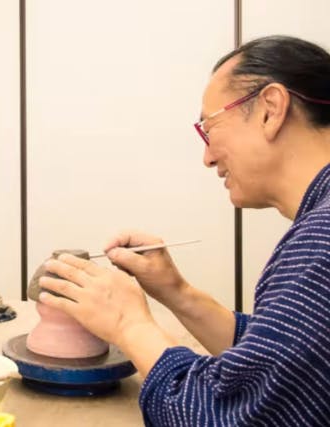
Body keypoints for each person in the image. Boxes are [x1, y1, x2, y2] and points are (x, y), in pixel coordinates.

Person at [38, 35, 330, 426]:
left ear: (270, 109)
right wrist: (178, 293)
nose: (207, 157)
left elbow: (222, 417)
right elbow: (283, 368)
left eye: (209, 128)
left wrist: (128, 323)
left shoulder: (322, 240)